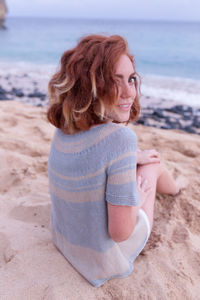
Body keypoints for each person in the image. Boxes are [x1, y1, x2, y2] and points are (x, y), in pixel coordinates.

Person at [47, 34, 182, 287]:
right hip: (103, 258)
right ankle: (176, 189)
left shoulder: (65, 125)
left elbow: (95, 157)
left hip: (64, 238)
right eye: (113, 81)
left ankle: (170, 184)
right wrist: (137, 201)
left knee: (141, 157)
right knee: (151, 164)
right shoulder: (121, 140)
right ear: (90, 86)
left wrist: (131, 157)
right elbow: (121, 233)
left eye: (131, 79)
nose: (129, 91)